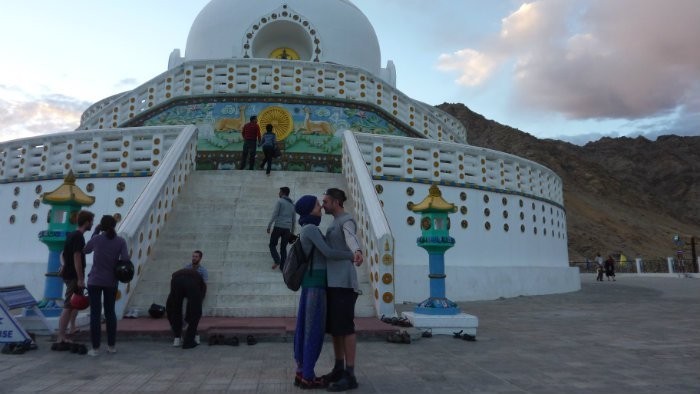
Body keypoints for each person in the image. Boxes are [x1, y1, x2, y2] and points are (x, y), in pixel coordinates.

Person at [292, 195, 356, 389]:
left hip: (313, 284)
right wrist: (351, 255)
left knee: (306, 328)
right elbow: (328, 252)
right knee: (313, 331)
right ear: (309, 209)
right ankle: (308, 376)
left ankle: (302, 372)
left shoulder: (310, 229)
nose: (320, 208)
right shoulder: (311, 229)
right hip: (315, 285)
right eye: (317, 206)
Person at [321, 188, 364, 392]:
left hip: (344, 283)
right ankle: (339, 368)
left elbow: (351, 237)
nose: (323, 205)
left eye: (326, 202)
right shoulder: (333, 222)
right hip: (332, 282)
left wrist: (356, 251)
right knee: (336, 329)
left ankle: (351, 374)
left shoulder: (346, 220)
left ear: (336, 202)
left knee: (345, 328)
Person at [83, 215, 129, 356]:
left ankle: (95, 348)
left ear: (101, 226)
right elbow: (125, 259)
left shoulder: (97, 239)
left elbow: (86, 250)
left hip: (95, 281)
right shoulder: (120, 241)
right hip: (111, 281)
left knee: (95, 315)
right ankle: (111, 346)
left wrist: (95, 232)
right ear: (114, 226)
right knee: (110, 314)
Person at [55, 210, 94, 347]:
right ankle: (61, 335)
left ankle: (70, 328)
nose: (92, 224)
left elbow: (64, 254)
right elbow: (77, 257)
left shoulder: (72, 235)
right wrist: (80, 278)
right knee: (68, 305)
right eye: (91, 221)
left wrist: (64, 265)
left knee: (74, 304)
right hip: (73, 276)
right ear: (87, 222)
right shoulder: (78, 237)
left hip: (69, 274)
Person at [166, 266, 207, 349]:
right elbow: (194, 308)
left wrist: (175, 326)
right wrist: (189, 322)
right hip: (190, 281)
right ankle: (189, 341)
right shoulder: (202, 285)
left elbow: (169, 307)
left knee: (175, 309)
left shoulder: (183, 275)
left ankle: (177, 338)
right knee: (196, 312)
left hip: (175, 280)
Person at [268, 187, 295, 270]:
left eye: (280, 192)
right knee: (283, 248)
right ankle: (283, 268)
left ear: (283, 193)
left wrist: (269, 226)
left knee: (272, 244)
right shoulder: (292, 204)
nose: (278, 193)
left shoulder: (280, 201)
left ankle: (277, 260)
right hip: (287, 229)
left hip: (278, 226)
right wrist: (292, 232)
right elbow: (294, 219)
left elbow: (275, 214)